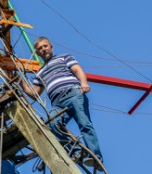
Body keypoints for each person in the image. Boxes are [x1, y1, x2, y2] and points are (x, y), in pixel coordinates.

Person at [19, 36, 103, 167]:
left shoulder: (64, 57)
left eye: (45, 46)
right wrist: (22, 84)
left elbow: (77, 69)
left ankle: (95, 156)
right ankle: (77, 152)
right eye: (40, 48)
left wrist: (84, 83)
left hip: (73, 93)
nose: (43, 49)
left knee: (84, 124)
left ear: (51, 47)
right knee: (51, 124)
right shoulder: (40, 72)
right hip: (57, 103)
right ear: (37, 52)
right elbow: (35, 94)